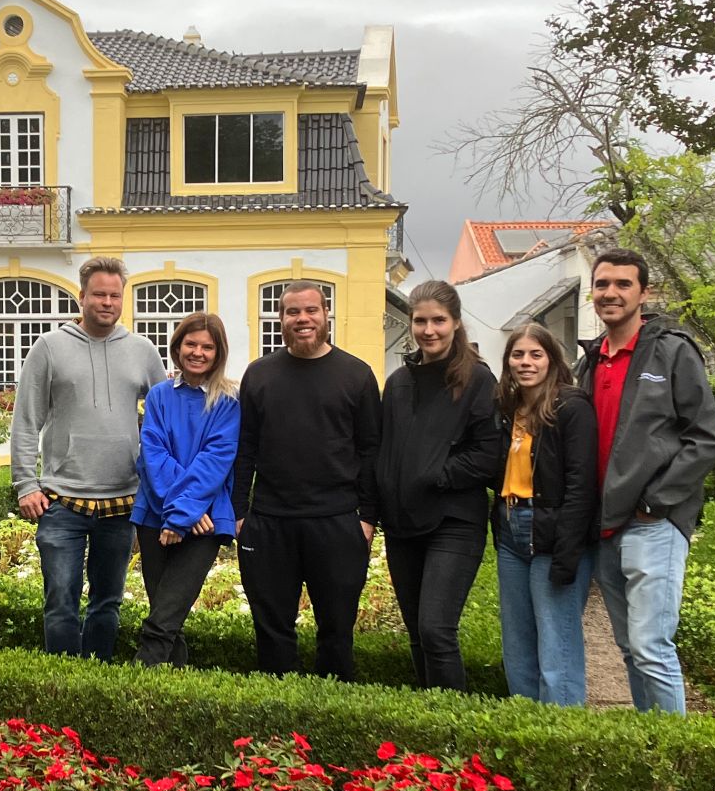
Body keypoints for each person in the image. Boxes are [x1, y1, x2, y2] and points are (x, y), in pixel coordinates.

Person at [576, 247, 715, 714]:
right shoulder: (590, 361)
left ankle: (676, 751)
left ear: (644, 293)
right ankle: (649, 742)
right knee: (628, 647)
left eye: (623, 284)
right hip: (605, 526)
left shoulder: (672, 351)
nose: (611, 293)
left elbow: (707, 437)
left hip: (652, 524)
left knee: (651, 647)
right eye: (602, 284)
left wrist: (656, 501)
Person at [11, 256, 166, 658]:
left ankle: (97, 679)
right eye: (99, 294)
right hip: (62, 502)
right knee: (60, 603)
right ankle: (64, 682)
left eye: (115, 295)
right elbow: (26, 419)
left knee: (107, 604)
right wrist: (26, 484)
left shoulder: (143, 351)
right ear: (81, 296)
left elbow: (167, 419)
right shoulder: (49, 348)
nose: (107, 302)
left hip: (122, 503)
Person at [232, 280, 380, 680]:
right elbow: (244, 449)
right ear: (281, 318)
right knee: (272, 634)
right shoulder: (259, 375)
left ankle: (334, 708)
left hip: (337, 521)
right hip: (269, 521)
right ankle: (280, 712)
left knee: (337, 633)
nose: (303, 319)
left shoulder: (357, 375)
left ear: (326, 314)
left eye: (311, 310)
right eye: (292, 311)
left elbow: (371, 450)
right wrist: (240, 513)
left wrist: (367, 517)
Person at [375, 281, 503, 691]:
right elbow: (385, 448)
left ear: (456, 323)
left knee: (436, 629)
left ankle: (452, 723)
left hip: (454, 521)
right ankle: (428, 718)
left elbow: (489, 454)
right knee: (416, 632)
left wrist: (433, 475)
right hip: (403, 524)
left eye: (438, 321)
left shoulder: (477, 379)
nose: (428, 330)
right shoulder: (399, 382)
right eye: (420, 321)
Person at [492, 321, 599, 706]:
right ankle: (527, 725)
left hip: (553, 535)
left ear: (552, 360)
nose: (526, 362)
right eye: (518, 355)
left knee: (557, 644)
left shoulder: (572, 407)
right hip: (510, 532)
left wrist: (569, 552)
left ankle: (563, 730)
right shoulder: (508, 409)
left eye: (535, 355)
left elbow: (581, 484)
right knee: (517, 643)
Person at [132, 312, 240, 667]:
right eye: (191, 344)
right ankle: (175, 689)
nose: (198, 352)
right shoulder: (159, 396)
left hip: (205, 521)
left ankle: (138, 678)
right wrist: (183, 512)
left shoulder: (228, 402)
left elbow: (214, 461)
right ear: (177, 348)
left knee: (164, 616)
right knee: (167, 614)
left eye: (207, 347)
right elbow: (154, 455)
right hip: (157, 515)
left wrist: (184, 514)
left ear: (218, 352)